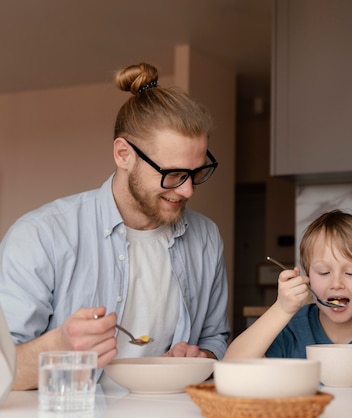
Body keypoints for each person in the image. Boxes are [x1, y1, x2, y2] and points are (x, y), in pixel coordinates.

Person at [0, 62, 230, 390]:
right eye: (174, 174)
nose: (188, 190)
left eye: (196, 173)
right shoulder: (41, 236)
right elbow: (2, 369)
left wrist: (200, 355)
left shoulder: (206, 237)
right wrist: (60, 346)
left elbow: (215, 337)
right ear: (124, 155)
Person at [224, 209, 352, 389]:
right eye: (324, 273)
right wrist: (282, 308)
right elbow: (231, 367)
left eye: (351, 273)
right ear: (307, 277)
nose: (336, 283)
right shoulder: (292, 328)